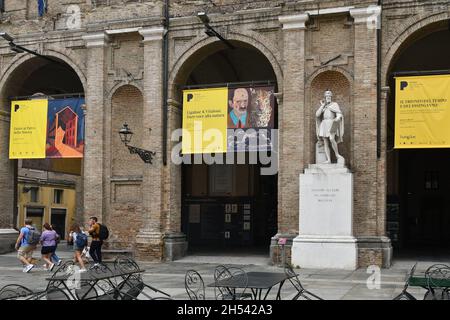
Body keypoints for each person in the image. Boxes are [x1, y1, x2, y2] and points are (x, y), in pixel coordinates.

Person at [315, 90, 345, 164]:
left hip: (332, 122)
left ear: (331, 96)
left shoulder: (334, 104)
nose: (328, 96)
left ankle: (337, 155)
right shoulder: (324, 106)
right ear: (325, 97)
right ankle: (328, 159)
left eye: (329, 95)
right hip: (324, 123)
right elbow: (317, 115)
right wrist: (322, 105)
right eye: (326, 95)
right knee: (325, 142)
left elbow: (339, 113)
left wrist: (338, 117)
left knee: (331, 139)